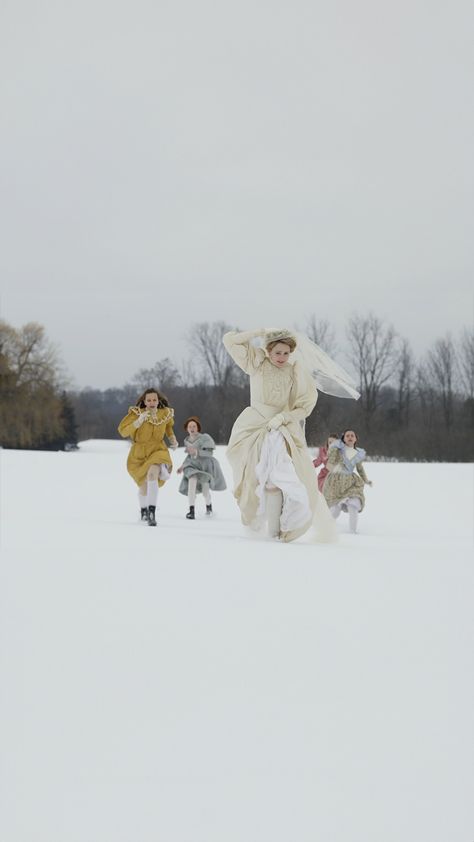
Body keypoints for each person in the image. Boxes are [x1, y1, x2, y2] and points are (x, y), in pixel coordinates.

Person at [222, 328, 359, 542]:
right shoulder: (256, 362)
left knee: (280, 480)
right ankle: (265, 526)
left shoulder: (294, 371)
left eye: (286, 353)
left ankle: (276, 532)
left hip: (281, 429)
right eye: (277, 352)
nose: (282, 357)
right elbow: (229, 340)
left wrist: (284, 418)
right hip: (254, 426)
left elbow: (304, 406)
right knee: (256, 479)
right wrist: (258, 331)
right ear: (268, 350)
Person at [118, 387, 178, 526]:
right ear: (144, 401)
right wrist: (138, 422)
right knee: (144, 486)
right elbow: (123, 432)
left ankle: (152, 513)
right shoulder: (137, 413)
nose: (152, 402)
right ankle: (143, 509)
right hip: (139, 453)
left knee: (152, 475)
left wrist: (173, 439)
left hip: (158, 450)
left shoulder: (165, 413)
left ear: (158, 401)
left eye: (154, 400)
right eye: (149, 400)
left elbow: (169, 427)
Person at [323, 429, 373, 533]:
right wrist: (334, 468)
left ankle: (352, 531)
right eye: (347, 436)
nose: (350, 437)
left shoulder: (358, 453)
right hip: (336, 483)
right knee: (335, 511)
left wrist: (366, 480)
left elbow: (360, 469)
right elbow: (329, 464)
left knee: (353, 505)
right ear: (344, 439)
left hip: (351, 483)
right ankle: (324, 527)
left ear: (355, 439)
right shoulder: (337, 450)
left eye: (352, 436)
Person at [177, 416, 227, 519]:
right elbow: (189, 456)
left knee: (205, 490)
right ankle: (191, 511)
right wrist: (182, 466)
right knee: (191, 481)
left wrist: (196, 451)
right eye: (189, 426)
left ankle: (209, 507)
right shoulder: (186, 441)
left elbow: (210, 453)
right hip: (193, 466)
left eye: (194, 426)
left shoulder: (205, 438)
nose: (192, 428)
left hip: (205, 467)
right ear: (186, 429)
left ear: (198, 428)